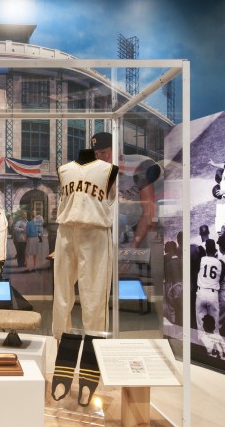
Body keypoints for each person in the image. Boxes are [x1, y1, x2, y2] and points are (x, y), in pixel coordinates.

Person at [52, 148, 118, 339]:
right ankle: (60, 342)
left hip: (95, 231)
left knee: (94, 294)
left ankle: (95, 348)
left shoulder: (109, 169)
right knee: (62, 292)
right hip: (65, 231)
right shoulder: (63, 169)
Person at [91, 132, 160, 249]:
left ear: (116, 150)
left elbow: (149, 212)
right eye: (96, 154)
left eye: (103, 153)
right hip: (123, 227)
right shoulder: (101, 173)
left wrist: (132, 249)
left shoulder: (139, 165)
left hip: (148, 225)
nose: (100, 159)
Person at [195, 239, 225, 333]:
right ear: (215, 250)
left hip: (201, 293)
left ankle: (202, 344)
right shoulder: (220, 263)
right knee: (215, 324)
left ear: (206, 249)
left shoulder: (201, 260)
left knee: (200, 324)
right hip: (213, 294)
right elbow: (221, 278)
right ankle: (215, 344)